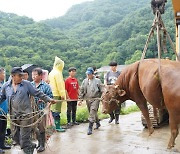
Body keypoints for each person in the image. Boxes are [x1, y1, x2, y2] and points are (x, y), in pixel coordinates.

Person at [0, 67, 56, 154]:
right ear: (13, 76)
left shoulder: (26, 84)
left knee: (24, 138)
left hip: (26, 115)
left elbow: (38, 92)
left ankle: (28, 149)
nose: (22, 77)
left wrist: (49, 99)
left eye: (22, 75)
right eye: (20, 76)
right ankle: (30, 145)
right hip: (13, 116)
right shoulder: (6, 86)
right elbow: (1, 97)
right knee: (15, 137)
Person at [31, 68, 53, 152]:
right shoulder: (30, 85)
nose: (34, 77)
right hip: (32, 111)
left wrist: (44, 100)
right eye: (33, 75)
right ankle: (39, 143)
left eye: (36, 75)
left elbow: (50, 97)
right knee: (35, 128)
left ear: (40, 76)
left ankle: (42, 145)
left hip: (42, 110)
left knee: (41, 128)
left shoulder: (46, 86)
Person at [78, 67, 103, 135]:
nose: (88, 75)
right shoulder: (84, 81)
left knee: (93, 111)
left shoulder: (98, 81)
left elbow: (102, 90)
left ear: (92, 74)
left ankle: (90, 128)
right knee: (92, 112)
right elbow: (82, 91)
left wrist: (102, 98)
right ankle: (97, 123)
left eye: (89, 74)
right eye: (87, 74)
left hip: (95, 99)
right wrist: (80, 100)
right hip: (88, 99)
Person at [49, 56, 66, 132]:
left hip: (51, 94)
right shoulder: (58, 73)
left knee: (53, 110)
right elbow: (60, 85)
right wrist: (62, 94)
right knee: (56, 111)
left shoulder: (51, 72)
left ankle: (54, 126)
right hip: (57, 94)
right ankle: (58, 127)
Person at [0, 68, 11, 154]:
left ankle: (2, 145)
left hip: (3, 112)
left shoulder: (3, 85)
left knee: (3, 129)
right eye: (3, 73)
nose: (4, 75)